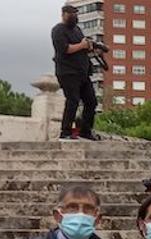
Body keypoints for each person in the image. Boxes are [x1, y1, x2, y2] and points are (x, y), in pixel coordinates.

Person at [50, 5, 98, 141]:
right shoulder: (58, 30)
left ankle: (85, 131)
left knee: (91, 101)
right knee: (73, 100)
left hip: (83, 72)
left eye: (75, 14)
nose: (74, 16)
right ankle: (65, 131)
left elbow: (82, 48)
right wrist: (82, 45)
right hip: (68, 72)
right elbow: (65, 49)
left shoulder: (77, 30)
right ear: (64, 14)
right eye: (71, 14)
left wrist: (91, 48)